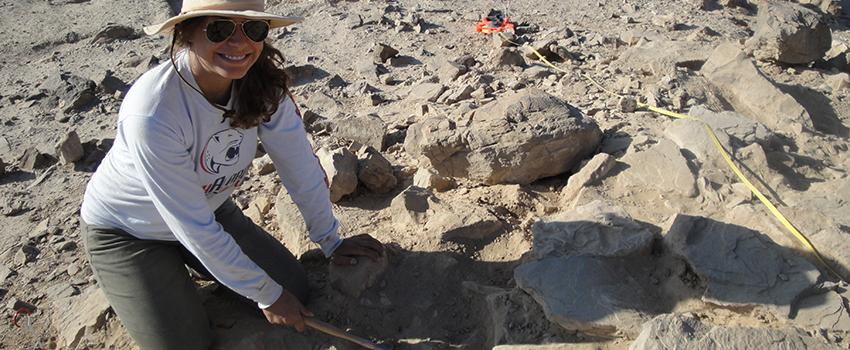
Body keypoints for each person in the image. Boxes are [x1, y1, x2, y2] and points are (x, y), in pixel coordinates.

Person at [79, 1, 385, 349]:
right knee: (186, 344)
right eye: (220, 29)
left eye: (253, 29)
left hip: (210, 208)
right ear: (186, 34)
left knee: (295, 289)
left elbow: (299, 164)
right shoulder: (154, 114)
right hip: (130, 231)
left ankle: (199, 273)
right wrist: (266, 295)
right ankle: (153, 282)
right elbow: (191, 225)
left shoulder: (264, 86)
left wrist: (331, 240)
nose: (239, 44)